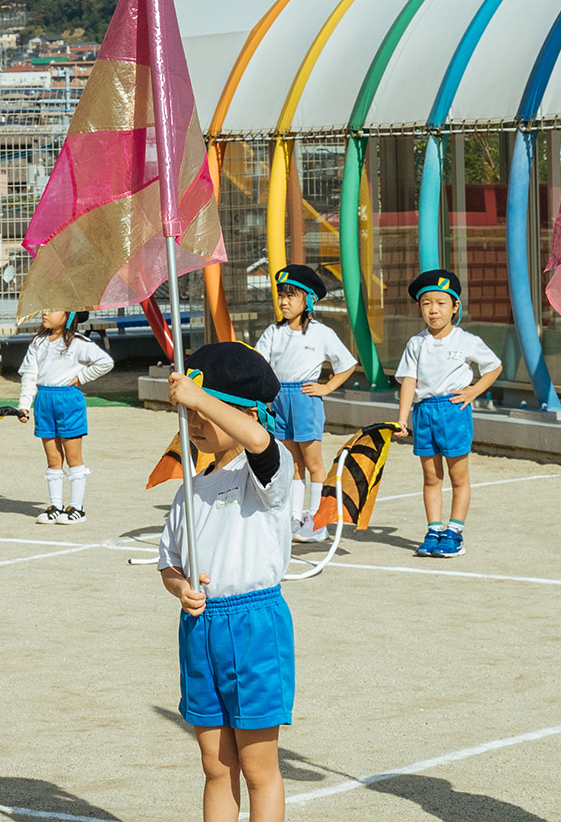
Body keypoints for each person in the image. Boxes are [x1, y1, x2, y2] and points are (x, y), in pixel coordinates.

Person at [161, 342, 292, 822]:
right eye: (188, 414)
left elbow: (258, 442)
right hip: (200, 627)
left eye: (204, 413)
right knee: (216, 767)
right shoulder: (188, 489)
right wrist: (180, 588)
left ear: (247, 413)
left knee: (259, 769)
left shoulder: (269, 475)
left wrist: (198, 396)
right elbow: (168, 564)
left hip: (255, 624)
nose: (193, 423)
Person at [393, 270, 502, 558]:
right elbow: (409, 381)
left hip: (454, 410)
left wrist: (473, 391)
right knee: (431, 476)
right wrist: (403, 419)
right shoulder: (416, 343)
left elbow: (493, 367)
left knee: (458, 476)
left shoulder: (466, 340)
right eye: (426, 303)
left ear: (455, 306)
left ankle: (454, 532)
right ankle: (433, 530)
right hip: (424, 412)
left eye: (441, 303)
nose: (433, 310)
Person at [254, 265, 358, 543]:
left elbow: (346, 364)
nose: (284, 301)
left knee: (313, 462)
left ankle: (317, 519)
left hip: (305, 399)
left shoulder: (321, 333)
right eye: (281, 295)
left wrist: (327, 387)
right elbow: (259, 363)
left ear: (309, 299)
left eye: (292, 295)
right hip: (278, 399)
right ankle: (294, 516)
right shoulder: (272, 332)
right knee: (291, 462)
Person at [16, 310, 113, 524]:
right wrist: (24, 406)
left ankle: (77, 508)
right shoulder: (38, 343)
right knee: (52, 458)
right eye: (44, 308)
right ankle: (56, 506)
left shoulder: (79, 343)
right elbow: (30, 376)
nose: (45, 313)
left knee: (73, 457)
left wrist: (81, 377)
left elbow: (105, 362)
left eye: (53, 309)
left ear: (69, 316)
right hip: (44, 401)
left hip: (69, 401)